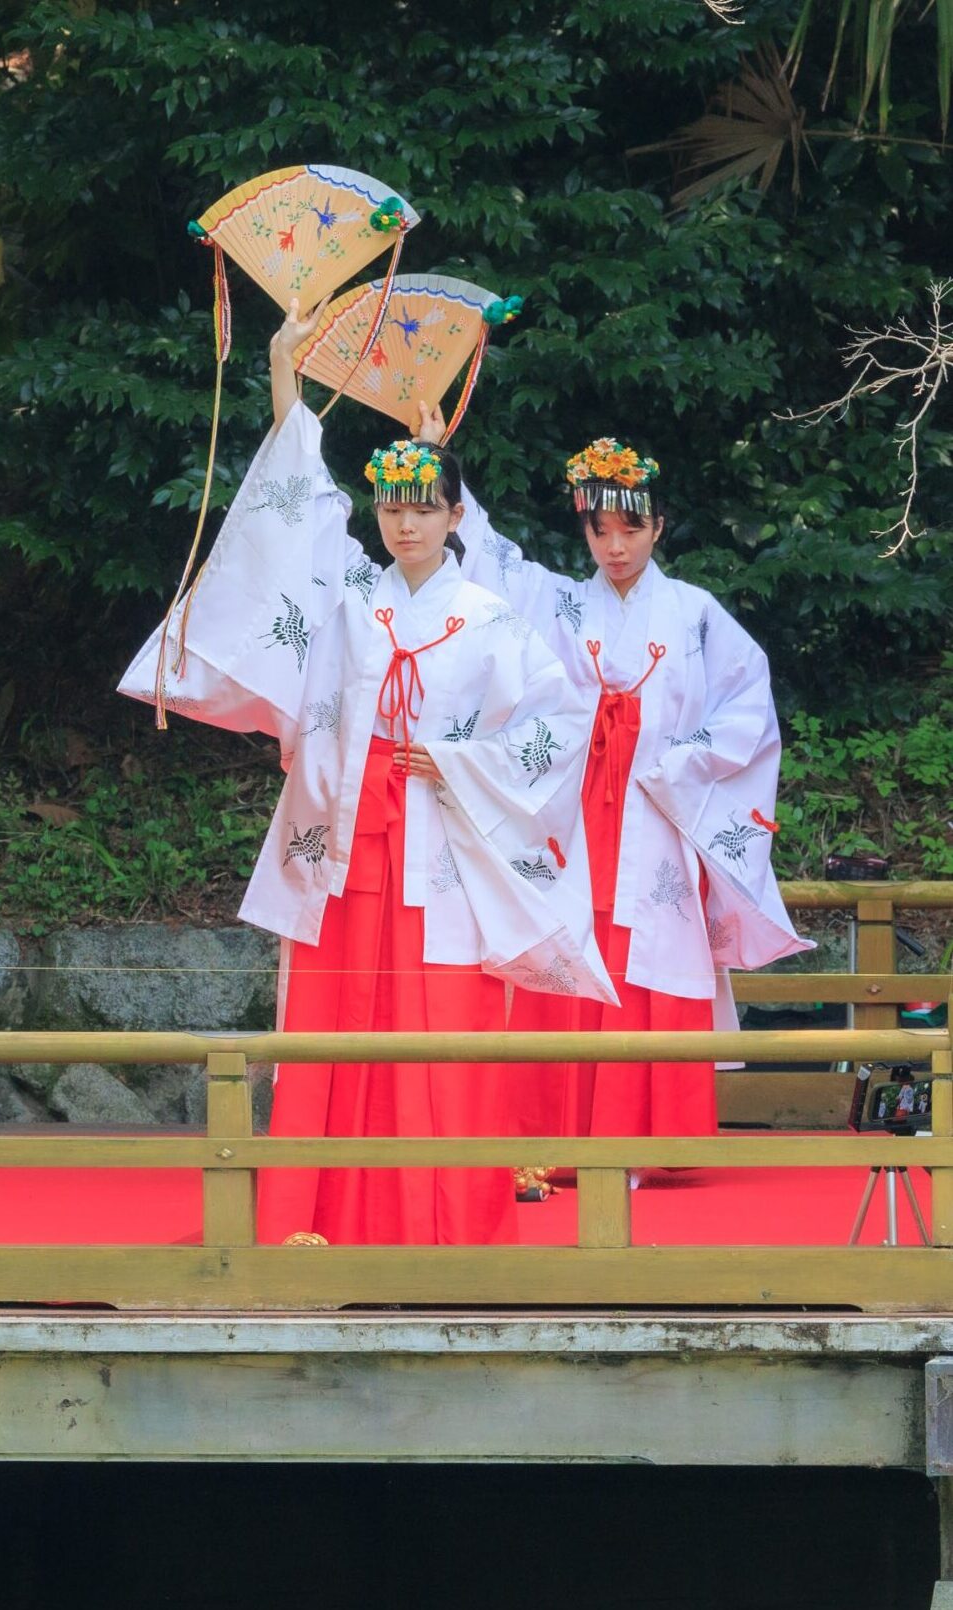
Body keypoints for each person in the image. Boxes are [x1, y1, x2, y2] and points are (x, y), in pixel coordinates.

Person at [117, 301, 614, 1246]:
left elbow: (561, 724)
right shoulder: (350, 597)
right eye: (392, 505)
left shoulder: (494, 618)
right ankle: (316, 1218)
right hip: (347, 842)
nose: (406, 522)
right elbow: (300, 514)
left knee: (443, 1033)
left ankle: (445, 1227)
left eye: (425, 506)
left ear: (457, 515)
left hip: (448, 849)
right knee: (333, 1024)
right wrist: (284, 375)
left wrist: (464, 763)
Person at [451, 426, 810, 1157]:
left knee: (648, 953)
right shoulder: (559, 603)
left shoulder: (695, 613)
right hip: (575, 809)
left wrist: (682, 761)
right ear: (585, 530)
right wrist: (442, 462)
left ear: (659, 528)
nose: (615, 547)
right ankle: (553, 1139)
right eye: (600, 531)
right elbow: (493, 560)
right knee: (572, 950)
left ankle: (649, 1143)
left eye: (631, 530)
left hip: (654, 806)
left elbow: (747, 704)